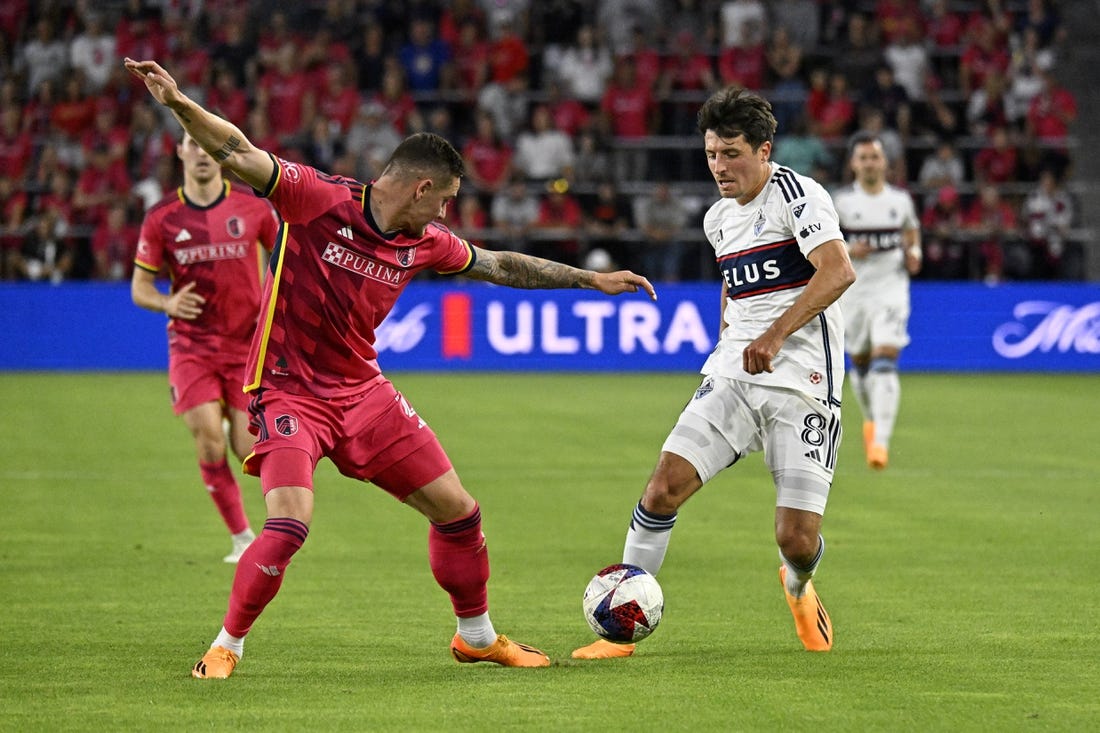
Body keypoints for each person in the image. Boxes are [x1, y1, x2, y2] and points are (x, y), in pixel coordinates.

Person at [124, 57, 656, 679]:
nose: (447, 217)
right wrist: (178, 102)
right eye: (446, 201)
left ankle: (476, 637)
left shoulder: (423, 241)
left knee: (459, 511)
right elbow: (238, 151)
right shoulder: (316, 198)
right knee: (290, 521)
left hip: (363, 393)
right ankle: (226, 645)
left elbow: (500, 266)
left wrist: (590, 279)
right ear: (421, 188)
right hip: (288, 391)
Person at [572, 86, 855, 660]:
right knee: (662, 488)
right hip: (733, 374)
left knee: (795, 539)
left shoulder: (798, 196)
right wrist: (729, 342)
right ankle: (621, 632)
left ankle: (799, 585)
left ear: (764, 150)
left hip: (804, 383)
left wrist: (774, 335)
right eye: (711, 155)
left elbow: (838, 271)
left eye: (731, 153)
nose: (719, 167)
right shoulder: (717, 218)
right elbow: (734, 286)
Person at [131, 128, 280, 563]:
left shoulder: (252, 208)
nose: (200, 153)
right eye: (191, 144)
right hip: (191, 345)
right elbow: (140, 287)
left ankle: (238, 428)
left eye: (206, 145)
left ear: (220, 154)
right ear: (179, 152)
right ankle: (242, 539)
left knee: (245, 449)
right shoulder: (162, 217)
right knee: (210, 441)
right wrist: (167, 301)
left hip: (245, 345)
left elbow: (288, 257)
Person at [832, 134, 921, 470]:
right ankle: (872, 420)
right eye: (863, 158)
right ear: (854, 163)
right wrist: (850, 249)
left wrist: (914, 254)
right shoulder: (838, 203)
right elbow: (823, 241)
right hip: (852, 291)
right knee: (862, 361)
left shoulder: (900, 200)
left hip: (891, 288)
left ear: (884, 163)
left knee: (886, 358)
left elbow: (911, 232)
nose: (870, 163)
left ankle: (881, 442)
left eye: (875, 157)